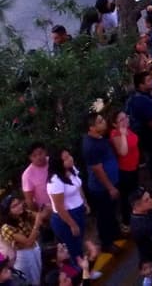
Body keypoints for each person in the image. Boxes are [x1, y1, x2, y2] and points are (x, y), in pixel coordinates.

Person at [81, 111, 121, 252]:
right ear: (91, 128)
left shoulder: (99, 138)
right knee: (104, 216)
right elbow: (98, 170)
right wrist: (110, 187)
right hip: (101, 188)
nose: (103, 122)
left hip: (111, 182)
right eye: (99, 121)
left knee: (111, 212)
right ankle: (106, 243)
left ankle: (116, 233)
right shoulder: (91, 146)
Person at [46, 149, 87, 259]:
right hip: (66, 217)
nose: (70, 159)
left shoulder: (71, 169)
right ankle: (81, 272)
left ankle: (86, 269)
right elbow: (59, 207)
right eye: (66, 158)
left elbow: (78, 187)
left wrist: (85, 203)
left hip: (78, 210)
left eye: (69, 155)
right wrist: (72, 224)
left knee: (79, 243)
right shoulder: (55, 181)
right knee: (73, 248)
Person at [0, 193, 47, 286]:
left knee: (37, 275)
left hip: (35, 248)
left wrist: (34, 233)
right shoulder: (6, 227)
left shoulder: (23, 213)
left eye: (19, 203)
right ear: (8, 211)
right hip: (23, 255)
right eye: (14, 206)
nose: (19, 206)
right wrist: (36, 226)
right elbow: (29, 242)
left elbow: (39, 216)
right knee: (27, 279)